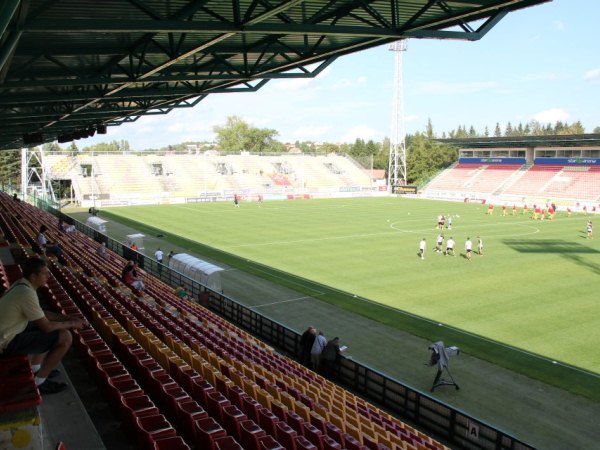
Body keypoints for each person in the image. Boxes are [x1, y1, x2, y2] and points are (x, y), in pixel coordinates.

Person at [0, 258, 86, 394]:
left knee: (42, 326)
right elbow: (47, 327)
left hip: (8, 332)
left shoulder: (21, 284)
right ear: (33, 276)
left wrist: (68, 318)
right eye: (45, 274)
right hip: (6, 343)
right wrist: (72, 323)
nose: (48, 276)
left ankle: (36, 369)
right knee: (65, 336)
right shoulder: (26, 293)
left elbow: (41, 314)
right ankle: (39, 382)